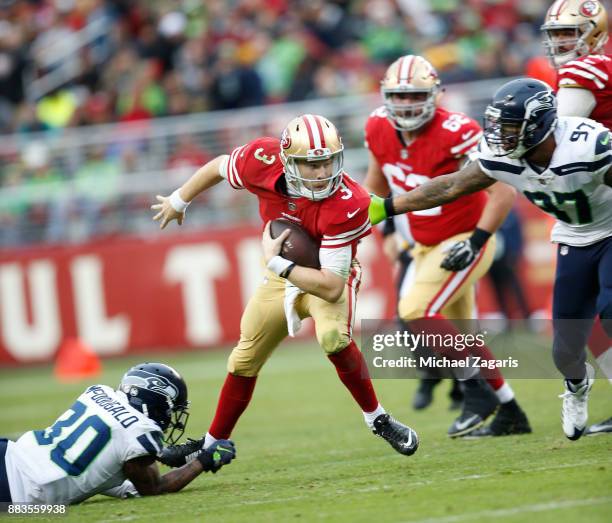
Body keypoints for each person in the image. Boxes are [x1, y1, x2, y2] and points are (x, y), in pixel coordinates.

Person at [151, 114, 419, 462]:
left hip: (327, 272)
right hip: (282, 276)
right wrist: (179, 199)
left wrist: (280, 264)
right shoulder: (261, 159)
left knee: (332, 338)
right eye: (311, 165)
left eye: (326, 162)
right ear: (289, 161)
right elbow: (219, 166)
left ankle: (377, 418)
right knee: (243, 359)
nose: (322, 173)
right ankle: (211, 444)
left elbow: (332, 289)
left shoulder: (348, 202)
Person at [369, 77, 612, 441]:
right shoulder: (500, 155)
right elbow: (450, 185)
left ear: (540, 123)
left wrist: (478, 237)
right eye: (499, 125)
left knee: (608, 315)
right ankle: (575, 388)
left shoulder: (587, 146)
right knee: (564, 349)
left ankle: (479, 391)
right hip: (573, 237)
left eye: (511, 127)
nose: (501, 135)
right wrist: (387, 207)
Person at [363, 54, 530, 437]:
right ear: (386, 96)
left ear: (435, 95)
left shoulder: (458, 130)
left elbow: (503, 191)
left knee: (415, 310)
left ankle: (474, 389)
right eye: (399, 96)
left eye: (415, 95)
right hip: (423, 243)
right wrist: (385, 232)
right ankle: (511, 411)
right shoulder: (377, 126)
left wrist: (477, 241)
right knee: (458, 333)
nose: (406, 104)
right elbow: (376, 183)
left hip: (463, 240)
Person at [0, 363, 236, 504]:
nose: (170, 416)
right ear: (156, 400)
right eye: (171, 408)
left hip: (9, 452)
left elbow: (109, 471)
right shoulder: (140, 431)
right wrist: (203, 462)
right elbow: (153, 489)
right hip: (17, 493)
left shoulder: (97, 392)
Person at [541, 0, 612, 435]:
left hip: (605, 209)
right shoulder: (586, 72)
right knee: (568, 339)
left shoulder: (584, 73)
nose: (561, 42)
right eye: (556, 34)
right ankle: (577, 386)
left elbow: (560, 138)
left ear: (596, 31)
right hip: (580, 220)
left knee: (607, 314)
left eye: (571, 32)